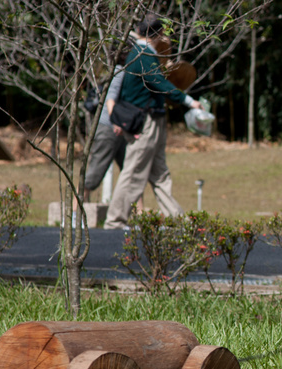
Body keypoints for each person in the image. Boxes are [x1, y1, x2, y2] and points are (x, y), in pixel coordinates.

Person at [103, 14, 202, 229]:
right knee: (134, 171)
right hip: (145, 121)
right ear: (157, 34)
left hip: (150, 119)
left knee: (160, 174)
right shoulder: (144, 55)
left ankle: (177, 220)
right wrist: (188, 100)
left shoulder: (139, 53)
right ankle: (115, 220)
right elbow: (159, 84)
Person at [83, 65, 127, 203]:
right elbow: (110, 98)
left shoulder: (134, 70)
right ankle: (73, 214)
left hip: (124, 130)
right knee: (93, 177)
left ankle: (138, 218)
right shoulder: (119, 71)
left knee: (133, 174)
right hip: (109, 128)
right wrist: (115, 121)